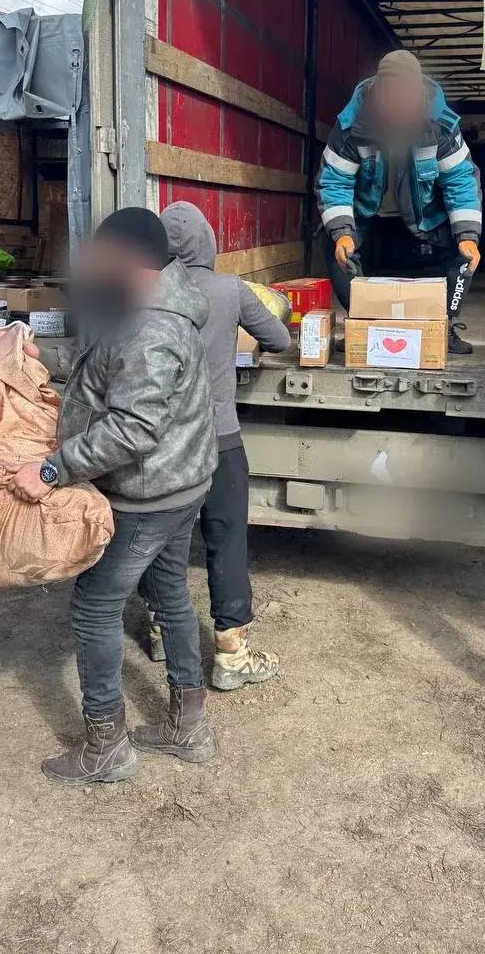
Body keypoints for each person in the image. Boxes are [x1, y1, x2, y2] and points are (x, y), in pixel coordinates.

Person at [6, 207, 218, 784]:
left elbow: (133, 429)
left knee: (96, 606)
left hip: (147, 495)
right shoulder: (156, 307)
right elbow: (105, 373)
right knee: (169, 594)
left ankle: (106, 745)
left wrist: (52, 469)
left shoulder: (151, 329)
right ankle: (189, 725)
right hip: (181, 482)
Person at [159, 201, 291, 689]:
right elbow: (279, 340)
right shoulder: (230, 289)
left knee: (159, 539)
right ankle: (232, 654)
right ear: (208, 243)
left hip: (160, 442)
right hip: (218, 437)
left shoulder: (145, 291)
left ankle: (159, 629)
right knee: (227, 538)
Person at [315, 49, 483, 354]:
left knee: (465, 254)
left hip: (423, 211)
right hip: (367, 208)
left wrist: (468, 236)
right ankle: (362, 324)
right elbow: (334, 181)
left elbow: (460, 180)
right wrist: (341, 233)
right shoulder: (351, 124)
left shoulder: (441, 124)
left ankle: (444, 326)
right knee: (334, 246)